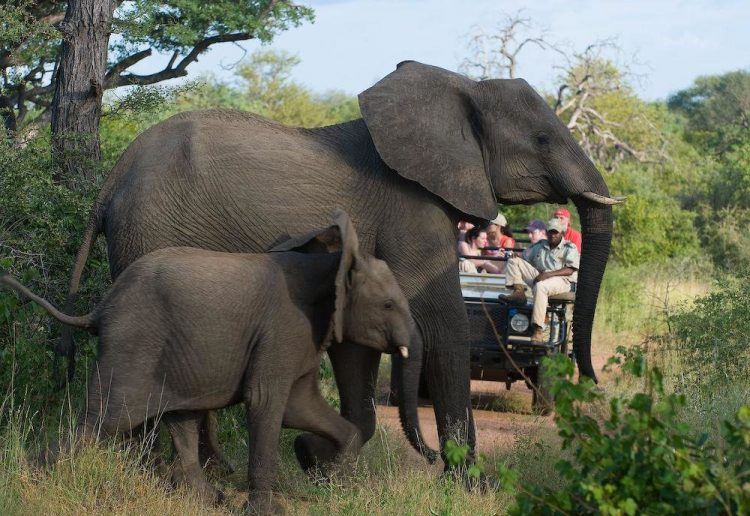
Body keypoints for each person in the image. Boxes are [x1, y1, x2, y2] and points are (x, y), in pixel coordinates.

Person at [501, 218, 580, 342]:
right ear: (546, 232)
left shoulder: (569, 247)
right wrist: (514, 255)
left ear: (562, 233)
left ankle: (537, 329)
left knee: (541, 286)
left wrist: (548, 275)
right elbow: (525, 257)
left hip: (562, 280)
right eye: (550, 232)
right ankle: (519, 292)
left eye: (556, 232)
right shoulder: (540, 245)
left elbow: (570, 269)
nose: (552, 235)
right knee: (513, 261)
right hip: (541, 277)